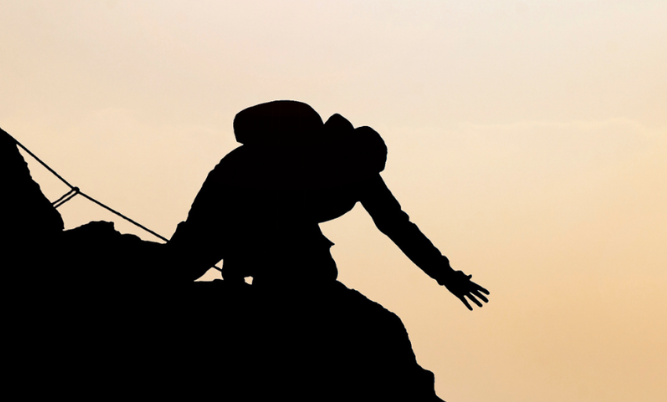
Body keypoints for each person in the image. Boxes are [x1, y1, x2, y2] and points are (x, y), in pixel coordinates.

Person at [168, 100, 489, 306]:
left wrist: (447, 276)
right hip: (228, 192)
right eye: (366, 170)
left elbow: (398, 227)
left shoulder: (360, 175)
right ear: (351, 154)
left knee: (312, 268)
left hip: (257, 214)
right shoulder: (307, 158)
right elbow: (263, 210)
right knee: (179, 268)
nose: (368, 179)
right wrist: (237, 268)